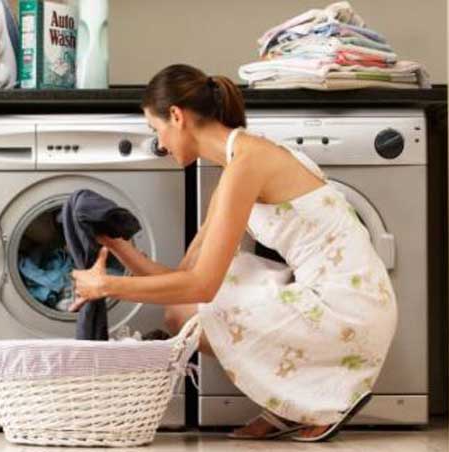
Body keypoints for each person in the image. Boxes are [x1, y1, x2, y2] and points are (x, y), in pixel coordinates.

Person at [69, 64, 397, 442]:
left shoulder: (247, 164)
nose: (159, 143)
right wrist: (118, 247)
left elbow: (200, 287)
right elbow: (184, 277)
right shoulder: (237, 166)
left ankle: (318, 404)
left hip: (350, 307)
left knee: (190, 307)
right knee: (185, 306)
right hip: (344, 296)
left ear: (176, 116)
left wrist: (106, 287)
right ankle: (295, 405)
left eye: (155, 129)